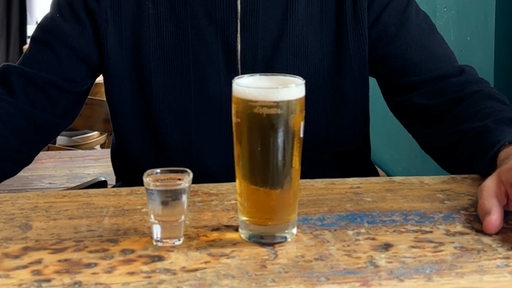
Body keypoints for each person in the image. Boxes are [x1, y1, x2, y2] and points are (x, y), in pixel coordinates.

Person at [0, 0, 511, 235]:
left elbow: (442, 89)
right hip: (161, 248)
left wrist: (505, 149)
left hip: (332, 248)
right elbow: (24, 103)